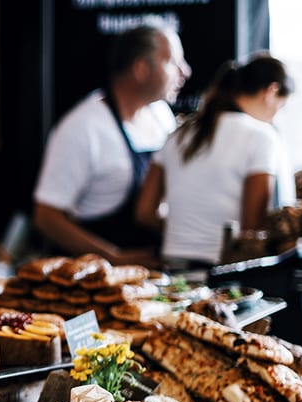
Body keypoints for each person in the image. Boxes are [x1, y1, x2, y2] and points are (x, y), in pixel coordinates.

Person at [32, 21, 191, 266]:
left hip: (155, 273)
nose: (185, 71)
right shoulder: (82, 128)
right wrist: (114, 258)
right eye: (172, 62)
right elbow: (46, 217)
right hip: (96, 279)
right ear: (140, 69)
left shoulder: (160, 114)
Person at [135, 54, 295, 269]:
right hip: (224, 272)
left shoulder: (178, 134)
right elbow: (252, 228)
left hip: (173, 268)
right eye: (281, 107)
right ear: (271, 92)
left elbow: (144, 213)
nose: (276, 116)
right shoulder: (262, 137)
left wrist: (186, 231)